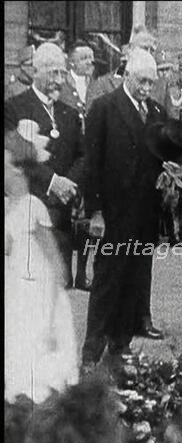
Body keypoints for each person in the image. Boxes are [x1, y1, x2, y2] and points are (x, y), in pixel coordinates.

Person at [5, 131, 79, 443]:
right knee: (19, 397)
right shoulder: (5, 209)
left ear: (18, 170)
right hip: (16, 313)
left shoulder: (34, 207)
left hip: (43, 314)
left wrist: (50, 323)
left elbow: (59, 271)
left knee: (43, 397)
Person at [82, 49, 168, 370]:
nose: (147, 88)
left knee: (134, 280)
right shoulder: (104, 109)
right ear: (127, 75)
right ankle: (92, 351)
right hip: (113, 214)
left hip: (145, 213)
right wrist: (96, 212)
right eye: (142, 81)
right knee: (107, 280)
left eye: (151, 82)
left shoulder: (156, 111)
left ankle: (120, 343)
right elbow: (92, 165)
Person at [4, 42, 84, 289]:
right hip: (27, 211)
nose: (58, 80)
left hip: (61, 213)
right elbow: (18, 156)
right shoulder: (15, 107)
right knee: (26, 287)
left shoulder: (69, 114)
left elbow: (83, 155)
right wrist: (53, 182)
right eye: (52, 73)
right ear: (35, 71)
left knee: (57, 289)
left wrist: (68, 185)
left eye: (62, 73)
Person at [59, 40, 96, 292]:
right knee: (64, 215)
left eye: (92, 58)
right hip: (69, 157)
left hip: (90, 157)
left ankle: (82, 273)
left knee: (86, 216)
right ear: (72, 61)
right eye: (84, 58)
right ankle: (64, 273)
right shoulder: (62, 85)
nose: (90, 62)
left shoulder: (98, 85)